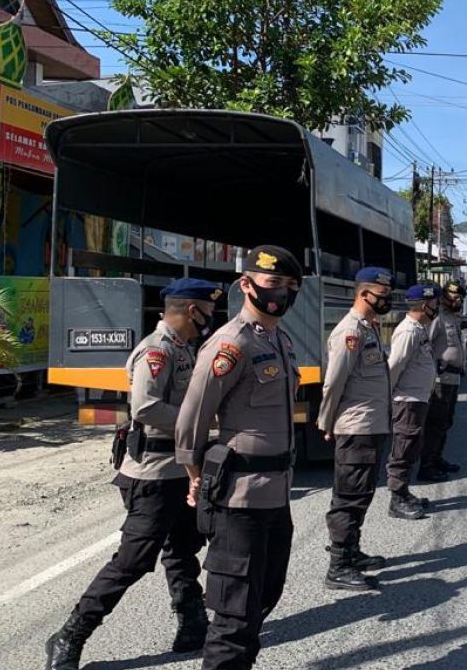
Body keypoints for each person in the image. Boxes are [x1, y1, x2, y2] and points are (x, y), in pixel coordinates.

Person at [45, 279, 221, 670]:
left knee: (182, 549)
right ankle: (70, 635)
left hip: (179, 470)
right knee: (133, 560)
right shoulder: (156, 351)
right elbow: (145, 407)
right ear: (192, 311)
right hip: (152, 474)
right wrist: (198, 423)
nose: (211, 318)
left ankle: (192, 623)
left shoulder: (183, 349)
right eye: (207, 311)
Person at [176, 245, 301, 669]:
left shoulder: (280, 339)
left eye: (289, 285)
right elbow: (192, 417)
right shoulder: (230, 343)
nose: (282, 292)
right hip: (239, 501)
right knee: (233, 619)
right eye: (273, 283)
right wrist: (194, 473)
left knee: (264, 598)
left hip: (276, 496)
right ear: (246, 285)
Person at [315, 266, 395, 591]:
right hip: (356, 426)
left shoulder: (368, 328)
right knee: (349, 496)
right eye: (382, 296)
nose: (386, 301)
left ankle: (352, 551)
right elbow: (333, 382)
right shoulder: (350, 331)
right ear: (364, 294)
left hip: (370, 425)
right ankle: (339, 566)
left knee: (362, 493)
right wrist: (326, 420)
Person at [386, 283, 440, 519]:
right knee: (403, 448)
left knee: (411, 447)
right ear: (425, 305)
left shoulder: (419, 329)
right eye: (435, 305)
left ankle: (404, 492)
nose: (437, 309)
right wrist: (388, 396)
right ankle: (397, 499)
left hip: (417, 399)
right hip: (407, 400)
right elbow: (394, 366)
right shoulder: (408, 331)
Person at [419, 280, 466, 483]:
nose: (457, 301)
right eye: (453, 297)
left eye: (460, 298)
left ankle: (437, 459)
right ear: (444, 297)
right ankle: (426, 466)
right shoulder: (437, 317)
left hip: (453, 378)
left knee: (446, 422)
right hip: (440, 379)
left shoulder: (453, 316)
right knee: (435, 424)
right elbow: (424, 345)